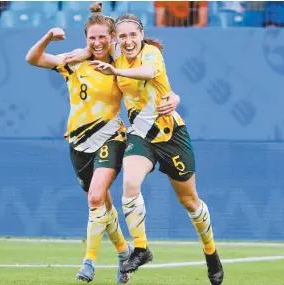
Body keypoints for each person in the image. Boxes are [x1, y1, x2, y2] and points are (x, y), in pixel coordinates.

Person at [25, 3, 180, 283]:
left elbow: (152, 75)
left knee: (96, 196)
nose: (97, 43)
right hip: (78, 142)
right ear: (85, 40)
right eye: (91, 38)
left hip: (111, 136)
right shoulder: (73, 63)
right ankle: (124, 252)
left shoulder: (119, 64)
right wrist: (48, 36)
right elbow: (33, 59)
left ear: (111, 39)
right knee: (102, 208)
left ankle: (89, 262)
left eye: (102, 37)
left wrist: (174, 97)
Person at [88, 12, 224, 285]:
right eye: (122, 36)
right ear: (117, 38)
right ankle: (141, 248)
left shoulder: (150, 54)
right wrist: (96, 18)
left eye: (133, 35)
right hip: (142, 136)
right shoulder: (113, 54)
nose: (128, 41)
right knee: (129, 183)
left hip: (171, 134)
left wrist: (174, 96)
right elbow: (92, 46)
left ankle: (211, 253)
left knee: (190, 203)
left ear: (141, 36)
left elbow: (149, 73)